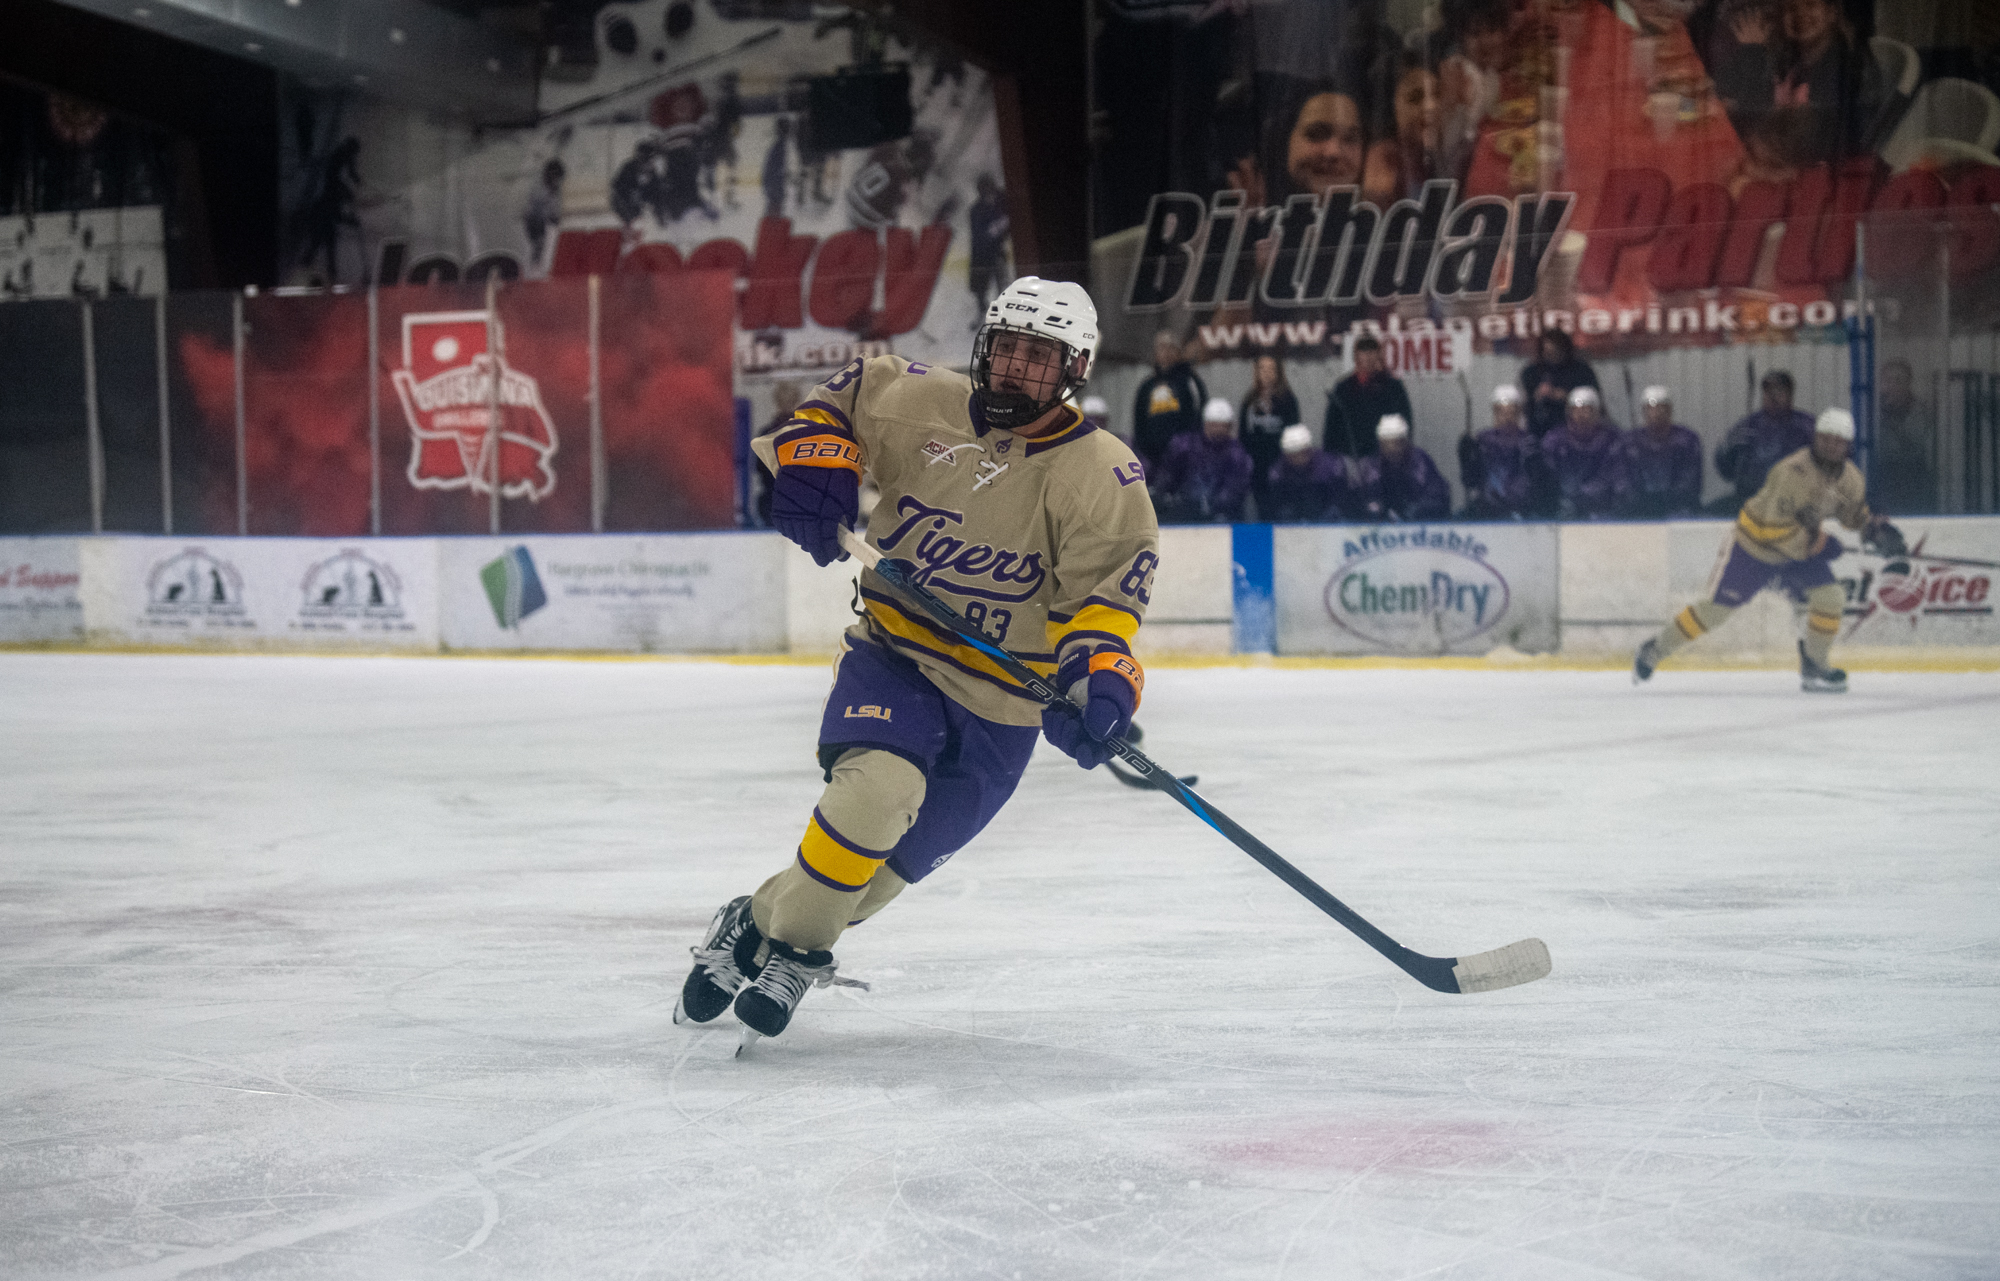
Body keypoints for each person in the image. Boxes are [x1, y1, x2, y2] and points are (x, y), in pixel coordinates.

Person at [683, 277, 1158, 1044]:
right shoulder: (918, 400)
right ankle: (799, 953)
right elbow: (839, 401)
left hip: (1005, 708)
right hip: (896, 656)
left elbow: (1103, 605)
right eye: (1005, 349)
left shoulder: (1103, 476)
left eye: (1038, 359)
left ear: (1075, 370)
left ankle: (758, 921)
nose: (1013, 369)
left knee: (864, 883)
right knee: (875, 799)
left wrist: (1096, 682)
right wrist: (817, 462)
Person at [1635, 407, 1906, 693]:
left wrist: (1873, 530)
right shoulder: (1792, 472)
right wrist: (1820, 545)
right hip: (1753, 548)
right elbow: (1771, 529)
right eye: (1825, 438)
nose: (1830, 444)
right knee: (1714, 611)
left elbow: (1852, 514)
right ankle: (1654, 650)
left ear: (1847, 445)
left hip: (1798, 550)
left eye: (1837, 440)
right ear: (1815, 437)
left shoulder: (1851, 479)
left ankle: (1815, 664)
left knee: (1830, 597)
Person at [1716, 370, 1814, 508]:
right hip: (1750, 499)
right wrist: (1728, 453)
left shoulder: (1806, 426)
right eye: (1768, 392)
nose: (1773, 397)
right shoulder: (1747, 426)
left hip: (1794, 501)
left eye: (1779, 392)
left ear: (1790, 395)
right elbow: (1726, 472)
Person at [1154, 397, 1255, 524]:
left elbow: (1235, 489)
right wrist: (1169, 500)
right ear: (1205, 424)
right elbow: (1166, 478)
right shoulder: (1184, 446)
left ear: (1230, 427)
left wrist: (1210, 505)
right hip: (1183, 515)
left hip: (1222, 518)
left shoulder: (1237, 454)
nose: (1218, 430)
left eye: (1223, 426)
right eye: (1214, 425)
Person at [1617, 386, 1705, 518]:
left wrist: (1664, 501)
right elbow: (1623, 481)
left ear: (1669, 410)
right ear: (1643, 411)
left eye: (1660, 408)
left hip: (1678, 510)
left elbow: (1691, 483)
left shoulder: (1687, 440)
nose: (1656, 413)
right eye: (1651, 408)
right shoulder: (1629, 442)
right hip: (1639, 510)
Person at [1540, 387, 1623, 520]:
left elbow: (1615, 475)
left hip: (1604, 510)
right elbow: (1547, 476)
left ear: (1596, 412)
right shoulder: (1554, 440)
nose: (1581, 415)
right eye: (1576, 410)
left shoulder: (1613, 439)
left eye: (1586, 410)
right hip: (1564, 508)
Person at [1325, 335, 1414, 459]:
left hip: (1385, 459)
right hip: (1350, 458)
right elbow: (1331, 429)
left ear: (1378, 355)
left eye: (1372, 352)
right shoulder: (1343, 388)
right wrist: (1332, 460)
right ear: (1355, 356)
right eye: (1363, 352)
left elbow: (1405, 423)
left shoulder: (1392, 387)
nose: (1367, 356)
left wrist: (1401, 453)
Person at [1131, 331, 1208, 474]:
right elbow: (1139, 422)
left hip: (1184, 459)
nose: (1166, 353)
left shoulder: (1190, 381)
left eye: (1171, 347)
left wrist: (1187, 446)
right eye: (1161, 348)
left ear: (1179, 352)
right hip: (1152, 459)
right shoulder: (1146, 386)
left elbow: (1201, 415)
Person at [1458, 384, 1538, 519]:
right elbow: (1470, 481)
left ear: (1519, 413)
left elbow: (1536, 482)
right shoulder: (1482, 440)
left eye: (1511, 412)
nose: (1507, 417)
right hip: (1487, 511)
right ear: (1495, 413)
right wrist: (1465, 457)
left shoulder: (1529, 442)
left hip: (1521, 511)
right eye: (1501, 412)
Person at [1356, 415, 1450, 522]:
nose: (1392, 449)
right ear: (1380, 444)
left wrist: (1419, 508)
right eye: (1387, 443)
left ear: (1406, 442)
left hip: (1419, 527)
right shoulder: (1372, 465)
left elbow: (1438, 493)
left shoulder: (1420, 461)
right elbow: (1363, 498)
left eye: (1396, 443)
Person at [1239, 355, 1301, 518]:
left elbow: (1294, 433)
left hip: (1280, 463)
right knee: (1262, 507)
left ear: (1278, 373)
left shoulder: (1288, 399)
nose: (1267, 373)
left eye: (1271, 369)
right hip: (1257, 463)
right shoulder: (1249, 399)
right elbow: (1242, 433)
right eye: (1262, 369)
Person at [1874, 359, 1936, 515]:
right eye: (1886, 381)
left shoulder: (1920, 411)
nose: (1889, 386)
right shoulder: (1874, 409)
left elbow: (1917, 441)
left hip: (1914, 475)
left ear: (1906, 383)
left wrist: (1892, 419)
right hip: (1884, 474)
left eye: (1896, 381)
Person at [1265, 424, 1354, 523]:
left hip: (1326, 519)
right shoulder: (1277, 472)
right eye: (1291, 454)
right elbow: (1278, 503)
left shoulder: (1330, 466)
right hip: (1293, 521)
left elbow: (1340, 499)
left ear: (1308, 450)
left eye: (1300, 452)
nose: (1296, 457)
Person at [1519, 330, 1598, 440]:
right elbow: (1523, 403)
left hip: (1573, 430)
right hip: (1539, 428)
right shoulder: (1532, 372)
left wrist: (1566, 396)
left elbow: (1593, 399)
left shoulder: (1581, 371)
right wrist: (1535, 396)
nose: (1551, 357)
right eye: (1547, 352)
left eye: (1555, 352)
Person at [967, 174, 1010, 318]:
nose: (989, 194)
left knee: (1002, 281)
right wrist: (996, 228)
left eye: (990, 190)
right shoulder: (976, 210)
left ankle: (1005, 309)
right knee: (980, 284)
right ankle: (982, 309)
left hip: (997, 250)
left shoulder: (1003, 199)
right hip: (981, 253)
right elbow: (980, 236)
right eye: (985, 191)